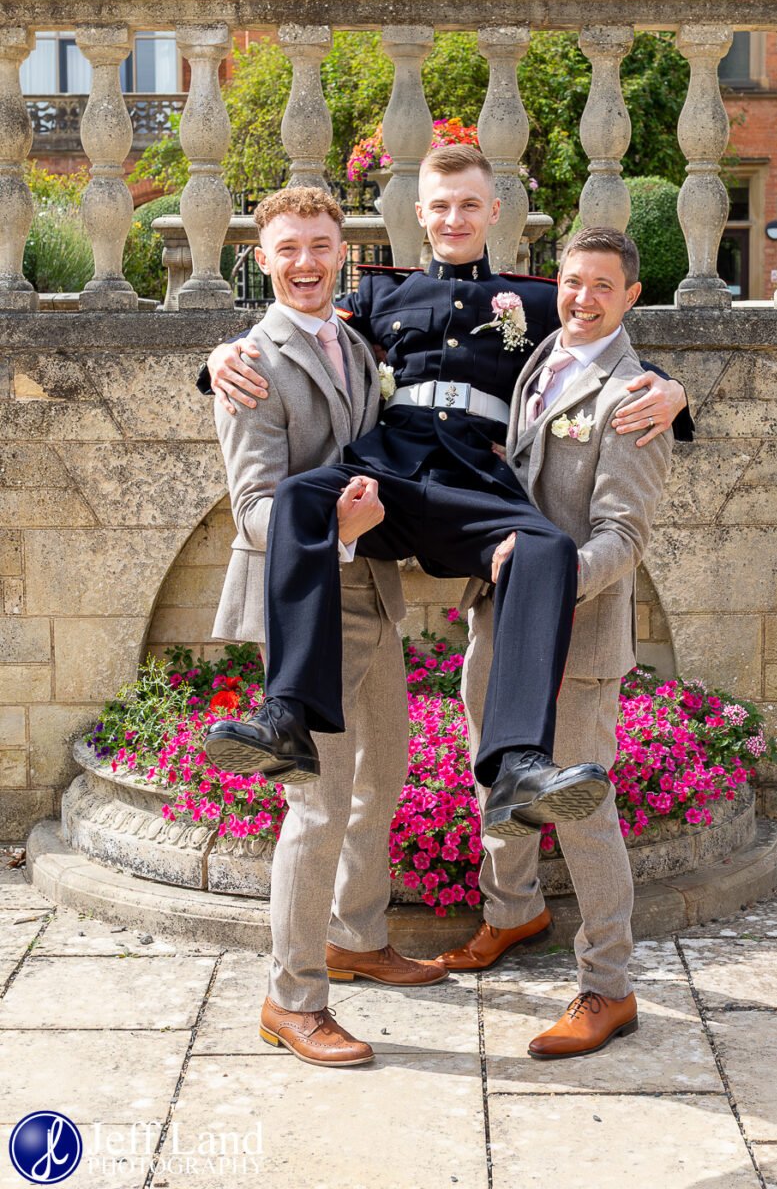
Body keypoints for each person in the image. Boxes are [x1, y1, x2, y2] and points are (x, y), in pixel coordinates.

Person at [203, 145, 693, 840]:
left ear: (494, 212)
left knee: (547, 549)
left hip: (476, 483)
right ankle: (286, 717)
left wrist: (673, 390)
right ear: (419, 214)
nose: (455, 217)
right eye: (441, 205)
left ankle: (518, 762)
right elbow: (297, 323)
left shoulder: (535, 301)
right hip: (392, 476)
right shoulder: (377, 294)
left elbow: (600, 343)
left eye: (469, 204)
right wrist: (218, 357)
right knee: (303, 497)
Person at [212, 185, 447, 1072]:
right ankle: (291, 997)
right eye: (288, 249)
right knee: (314, 808)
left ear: (340, 251)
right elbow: (254, 513)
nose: (306, 262)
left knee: (379, 781)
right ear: (260, 259)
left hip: (372, 591)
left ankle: (355, 936)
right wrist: (336, 534)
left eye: (320, 244)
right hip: (306, 603)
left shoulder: (354, 340)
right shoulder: (249, 363)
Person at [437, 226, 673, 1060]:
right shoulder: (540, 355)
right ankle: (512, 915)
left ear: (631, 297)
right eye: (572, 282)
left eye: (601, 286)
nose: (581, 298)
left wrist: (547, 583)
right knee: (496, 775)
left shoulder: (637, 397)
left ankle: (608, 987)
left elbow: (623, 536)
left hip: (576, 632)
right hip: (499, 620)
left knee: (581, 807)